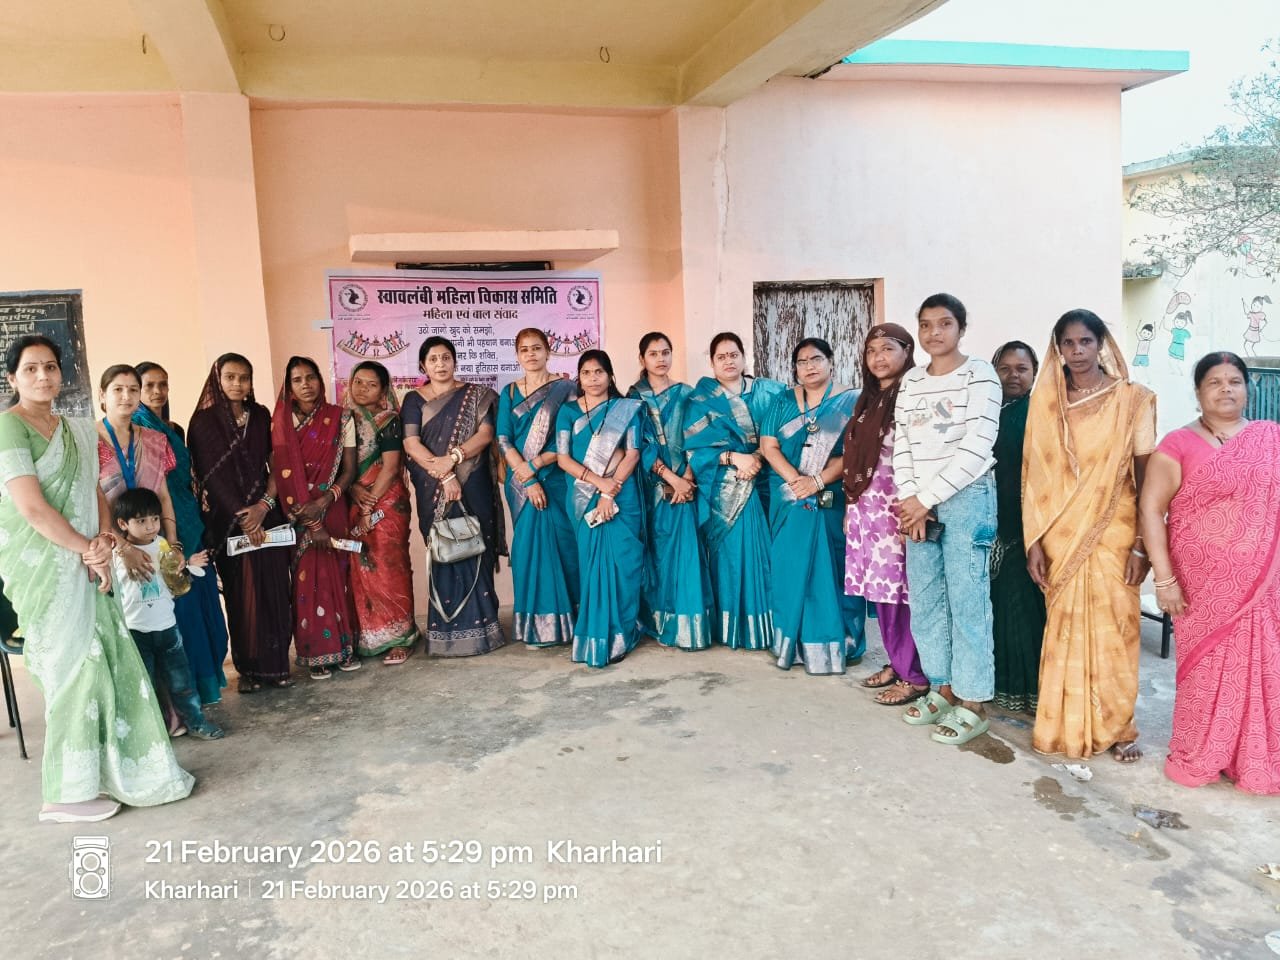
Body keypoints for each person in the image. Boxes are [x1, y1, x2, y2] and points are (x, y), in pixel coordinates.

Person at [0, 335, 193, 822]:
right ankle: (64, 794)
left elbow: (94, 493)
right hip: (48, 568)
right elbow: (31, 508)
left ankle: (103, 774)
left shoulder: (73, 429)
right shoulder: (8, 427)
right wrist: (85, 548)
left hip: (88, 560)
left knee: (104, 664)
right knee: (73, 672)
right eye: (30, 369)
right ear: (12, 378)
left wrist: (105, 542)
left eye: (50, 367)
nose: (43, 376)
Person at [1140, 352, 1280, 794]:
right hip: (1199, 586)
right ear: (1198, 392)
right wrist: (1164, 579)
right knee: (1205, 670)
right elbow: (1151, 510)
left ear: (1247, 389)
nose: (1225, 389)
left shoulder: (1270, 439)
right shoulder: (1178, 443)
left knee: (1263, 667)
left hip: (1263, 583)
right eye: (1214, 382)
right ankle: (1203, 749)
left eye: (1234, 381)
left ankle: (1251, 755)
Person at [1024, 309, 1156, 762]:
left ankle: (1118, 727)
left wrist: (1142, 544)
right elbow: (1033, 478)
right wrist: (1034, 541)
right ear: (1057, 348)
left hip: (1116, 531)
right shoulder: (1047, 404)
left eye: (1085, 341)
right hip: (1059, 533)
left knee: (1117, 628)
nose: (1077, 351)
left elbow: (1146, 476)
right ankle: (1065, 724)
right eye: (1068, 343)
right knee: (1064, 627)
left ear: (1101, 344)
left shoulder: (1133, 400)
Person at [894, 294, 1001, 744]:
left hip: (967, 498)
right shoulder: (912, 381)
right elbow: (902, 443)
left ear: (961, 328)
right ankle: (943, 687)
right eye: (926, 324)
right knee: (927, 600)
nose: (934, 332)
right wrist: (911, 499)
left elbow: (977, 445)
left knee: (967, 601)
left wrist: (927, 499)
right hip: (919, 502)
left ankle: (973, 701)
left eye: (944, 323)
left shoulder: (980, 375)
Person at [188, 353, 294, 692]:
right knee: (243, 595)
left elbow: (276, 463)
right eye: (230, 377)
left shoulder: (261, 415)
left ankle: (278, 666)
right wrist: (244, 517)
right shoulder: (203, 422)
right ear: (217, 380)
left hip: (267, 514)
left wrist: (264, 505)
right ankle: (249, 670)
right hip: (229, 521)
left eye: (244, 377)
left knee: (276, 590)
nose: (237, 383)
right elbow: (211, 477)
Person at [760, 337, 865, 675]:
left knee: (833, 567)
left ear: (831, 362)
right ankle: (792, 642)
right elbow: (768, 445)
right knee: (791, 567)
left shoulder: (851, 400)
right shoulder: (782, 400)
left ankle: (841, 642)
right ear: (795, 369)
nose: (809, 366)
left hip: (831, 496)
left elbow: (856, 452)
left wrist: (817, 481)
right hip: (789, 496)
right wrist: (797, 481)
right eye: (802, 362)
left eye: (816, 359)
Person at [402, 337, 506, 656]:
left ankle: (484, 631)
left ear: (455, 361)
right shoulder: (413, 399)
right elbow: (411, 444)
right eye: (433, 359)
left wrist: (454, 458)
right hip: (433, 484)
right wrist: (445, 474)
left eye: (446, 357)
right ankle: (446, 635)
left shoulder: (477, 395)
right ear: (423, 365)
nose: (440, 364)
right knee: (443, 549)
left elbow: (486, 435)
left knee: (475, 545)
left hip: (473, 482)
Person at [134, 362, 230, 704]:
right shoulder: (137, 430)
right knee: (184, 612)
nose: (158, 391)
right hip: (163, 528)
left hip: (190, 522)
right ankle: (189, 692)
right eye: (149, 385)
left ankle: (208, 681)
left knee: (208, 612)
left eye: (163, 384)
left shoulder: (172, 428)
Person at [683, 333, 785, 650]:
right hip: (725, 489)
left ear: (744, 357)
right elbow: (694, 451)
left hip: (769, 480)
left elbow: (783, 433)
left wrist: (757, 458)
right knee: (732, 556)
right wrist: (733, 458)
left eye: (733, 355)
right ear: (712, 363)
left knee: (769, 556)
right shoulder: (700, 400)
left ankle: (767, 627)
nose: (728, 361)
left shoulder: (769, 392)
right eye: (721, 357)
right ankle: (732, 628)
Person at [843, 323, 928, 705]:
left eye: (888, 348)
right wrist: (852, 506)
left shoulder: (912, 395)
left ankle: (915, 676)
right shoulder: (868, 400)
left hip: (898, 509)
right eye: (871, 350)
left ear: (907, 352)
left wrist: (915, 509)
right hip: (868, 510)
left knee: (899, 595)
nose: (878, 357)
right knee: (882, 594)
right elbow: (855, 459)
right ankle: (898, 662)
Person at [109, 488, 223, 740]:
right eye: (141, 521)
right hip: (136, 631)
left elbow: (175, 582)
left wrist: (188, 566)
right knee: (144, 684)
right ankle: (150, 735)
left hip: (167, 628)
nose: (151, 526)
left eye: (155, 519)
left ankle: (196, 722)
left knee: (182, 684)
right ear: (122, 524)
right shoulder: (117, 554)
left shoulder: (163, 545)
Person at [272, 356, 360, 679]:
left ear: (321, 381)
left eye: (310, 377)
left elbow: (349, 470)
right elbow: (280, 472)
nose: (305, 385)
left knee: (337, 575)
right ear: (289, 387)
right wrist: (312, 522)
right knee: (307, 581)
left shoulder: (340, 417)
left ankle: (343, 647)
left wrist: (324, 501)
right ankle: (316, 653)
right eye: (297, 380)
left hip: (332, 506)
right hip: (297, 511)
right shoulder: (280, 423)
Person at [555, 350, 645, 667]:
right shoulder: (567, 412)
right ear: (578, 378)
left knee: (624, 563)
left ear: (610, 376)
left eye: (599, 372)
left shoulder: (626, 408)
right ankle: (596, 634)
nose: (593, 379)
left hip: (621, 494)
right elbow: (563, 458)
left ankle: (622, 633)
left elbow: (633, 453)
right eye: (586, 373)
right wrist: (598, 483)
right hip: (584, 496)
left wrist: (610, 490)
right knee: (592, 567)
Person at [628, 332, 713, 651]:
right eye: (653, 353)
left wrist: (687, 477)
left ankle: (690, 627)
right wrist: (670, 479)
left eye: (666, 352)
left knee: (688, 554)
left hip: (687, 487)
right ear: (642, 359)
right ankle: (661, 622)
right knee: (659, 556)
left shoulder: (687, 395)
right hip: (653, 490)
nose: (661, 359)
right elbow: (638, 445)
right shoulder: (633, 398)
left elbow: (701, 439)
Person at [496, 328, 579, 647]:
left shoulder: (566, 388)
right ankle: (536, 626)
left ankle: (569, 622)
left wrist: (537, 465)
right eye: (524, 349)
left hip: (556, 479)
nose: (530, 354)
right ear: (517, 355)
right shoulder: (509, 393)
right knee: (528, 551)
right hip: (521, 485)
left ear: (548, 351)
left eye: (536, 348)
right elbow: (503, 438)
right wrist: (528, 478)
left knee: (564, 547)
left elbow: (568, 437)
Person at [344, 361, 420, 663]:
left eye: (371, 384)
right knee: (360, 567)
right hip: (355, 500)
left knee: (389, 566)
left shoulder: (389, 421)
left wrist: (368, 505)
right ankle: (369, 635)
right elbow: (340, 469)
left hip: (386, 504)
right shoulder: (342, 420)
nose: (363, 389)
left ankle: (400, 636)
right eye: (358, 382)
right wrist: (352, 490)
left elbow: (390, 469)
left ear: (384, 389)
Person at [990, 341, 1047, 714]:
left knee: (1023, 610)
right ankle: (1000, 686)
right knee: (997, 608)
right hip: (990, 522)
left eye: (1022, 369)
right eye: (1005, 368)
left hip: (1027, 525)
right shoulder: (987, 411)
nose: (1013, 376)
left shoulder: (1039, 415)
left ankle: (1030, 692)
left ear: (1035, 373)